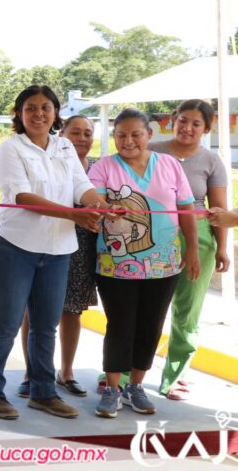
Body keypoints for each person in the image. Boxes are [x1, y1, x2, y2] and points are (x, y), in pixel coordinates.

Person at [0, 87, 103, 421]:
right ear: (19, 114)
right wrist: (75, 215)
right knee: (6, 324)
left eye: (45, 107)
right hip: (13, 248)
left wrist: (99, 204)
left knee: (46, 327)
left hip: (58, 250)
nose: (38, 114)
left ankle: (43, 394)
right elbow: (21, 197)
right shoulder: (10, 148)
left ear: (55, 113)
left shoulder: (64, 146)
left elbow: (81, 186)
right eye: (30, 108)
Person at [88, 108, 199, 418]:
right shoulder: (104, 167)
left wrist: (192, 248)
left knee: (151, 326)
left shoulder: (170, 165)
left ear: (149, 135)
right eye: (121, 135)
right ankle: (112, 389)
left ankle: (136, 386)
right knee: (120, 325)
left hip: (164, 265)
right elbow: (93, 199)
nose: (128, 141)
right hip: (115, 265)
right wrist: (103, 207)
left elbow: (186, 209)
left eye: (136, 134)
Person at [150, 100, 229, 400]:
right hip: (152, 238)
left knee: (188, 310)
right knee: (144, 306)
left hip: (199, 240)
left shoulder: (211, 161)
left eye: (196, 124)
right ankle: (123, 371)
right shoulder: (151, 150)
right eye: (183, 120)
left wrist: (222, 248)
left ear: (207, 129)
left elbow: (219, 209)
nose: (187, 128)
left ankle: (176, 375)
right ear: (173, 120)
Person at [16, 116, 100, 399]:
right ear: (61, 134)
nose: (82, 138)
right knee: (35, 312)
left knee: (73, 310)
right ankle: (32, 373)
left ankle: (67, 372)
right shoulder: (48, 160)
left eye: (88, 133)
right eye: (75, 132)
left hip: (83, 248)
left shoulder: (100, 167)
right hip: (45, 243)